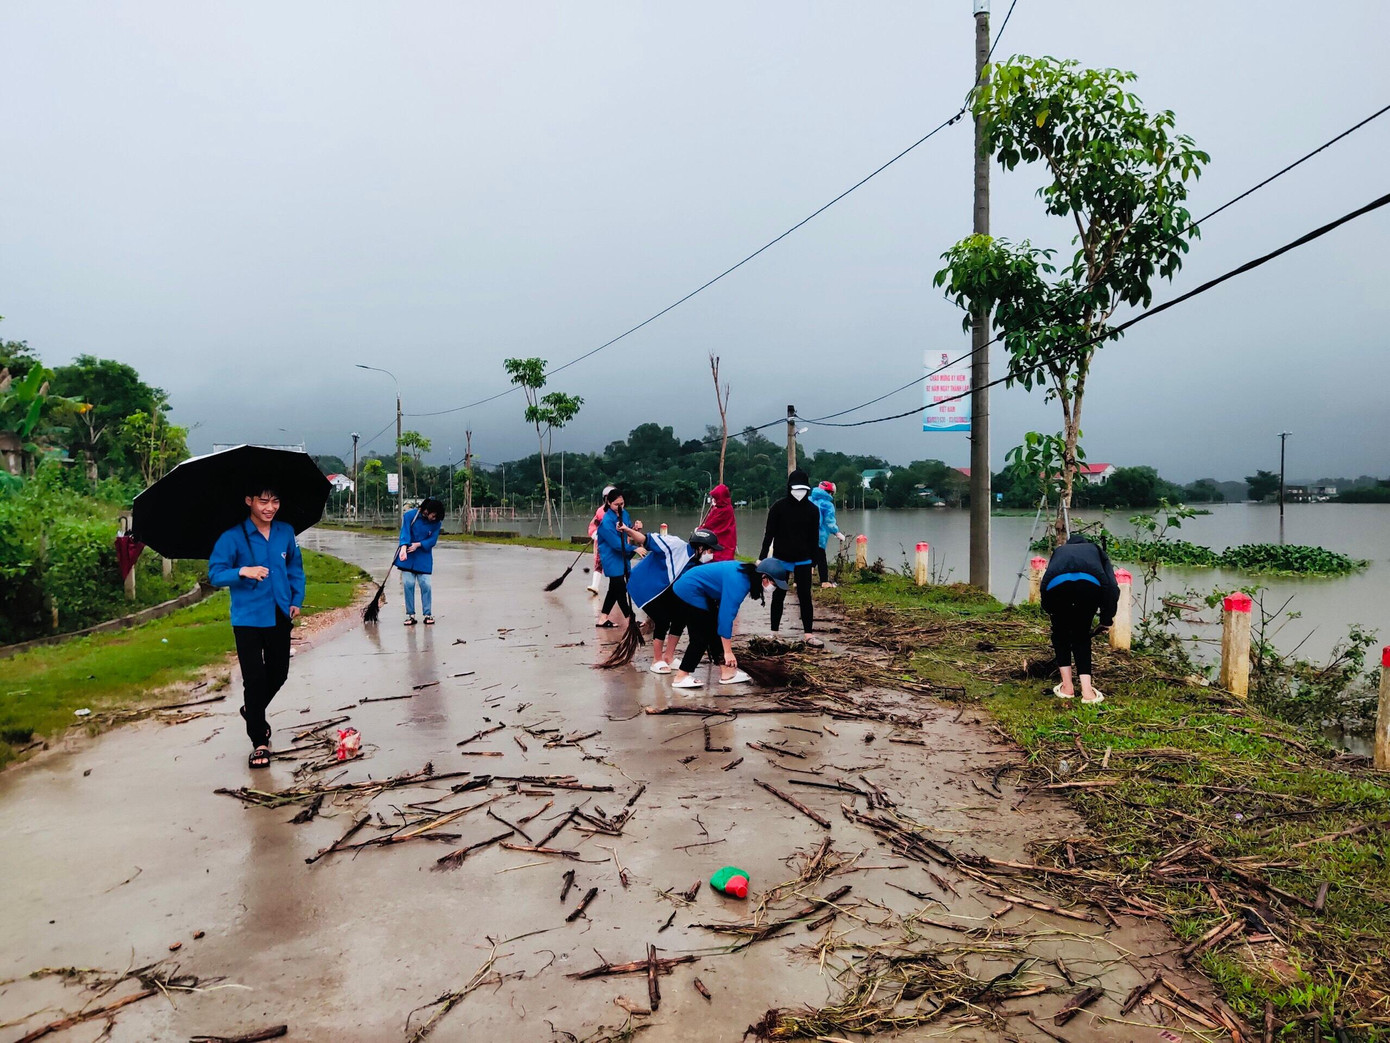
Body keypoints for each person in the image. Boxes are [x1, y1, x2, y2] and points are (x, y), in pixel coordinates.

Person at [208, 485, 306, 769]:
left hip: (278, 612)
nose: (270, 507)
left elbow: (294, 568)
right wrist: (242, 571)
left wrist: (295, 598)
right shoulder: (232, 537)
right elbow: (215, 573)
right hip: (248, 618)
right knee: (253, 678)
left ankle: (252, 709)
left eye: (275, 501)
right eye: (263, 501)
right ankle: (259, 741)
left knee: (279, 672)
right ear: (249, 501)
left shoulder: (285, 532)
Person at [668, 559, 789, 689]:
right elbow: (726, 617)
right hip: (689, 590)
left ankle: (727, 673)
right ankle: (681, 676)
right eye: (774, 584)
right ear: (764, 577)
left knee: (713, 629)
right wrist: (728, 651)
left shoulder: (748, 575)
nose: (774, 588)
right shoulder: (739, 582)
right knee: (701, 637)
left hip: (699, 590)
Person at [621, 524, 721, 673]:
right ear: (700, 548)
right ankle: (657, 659)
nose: (712, 554)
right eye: (711, 550)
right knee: (662, 619)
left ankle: (668, 656)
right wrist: (628, 530)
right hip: (645, 586)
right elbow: (646, 539)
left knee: (681, 617)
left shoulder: (697, 563)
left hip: (665, 590)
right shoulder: (675, 545)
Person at [1040, 534, 1121, 705]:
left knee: (1060, 634)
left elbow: (1046, 581)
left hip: (1055, 586)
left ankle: (1067, 688)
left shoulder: (1060, 551)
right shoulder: (1096, 550)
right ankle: (1087, 692)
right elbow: (1112, 588)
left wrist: (1051, 611)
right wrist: (1106, 620)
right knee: (1081, 635)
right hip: (1090, 585)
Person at [759, 468, 823, 647]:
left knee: (805, 596)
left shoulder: (813, 510)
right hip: (781, 559)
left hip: (804, 560)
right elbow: (769, 534)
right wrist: (762, 558)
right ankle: (774, 633)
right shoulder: (778, 507)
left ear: (808, 489)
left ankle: (808, 635)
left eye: (803, 489)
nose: (799, 492)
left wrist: (814, 562)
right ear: (789, 488)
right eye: (796, 488)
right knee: (778, 596)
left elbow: (814, 538)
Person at [398, 497, 444, 625]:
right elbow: (404, 533)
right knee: (408, 584)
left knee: (426, 585)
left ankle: (427, 614)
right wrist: (403, 547)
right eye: (433, 515)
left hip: (424, 557)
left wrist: (418, 544)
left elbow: (432, 540)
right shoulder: (409, 516)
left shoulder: (436, 523)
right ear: (427, 510)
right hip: (407, 556)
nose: (434, 519)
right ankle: (410, 615)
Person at [594, 487, 635, 627]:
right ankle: (631, 619)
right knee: (620, 589)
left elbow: (628, 532)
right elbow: (617, 544)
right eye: (616, 504)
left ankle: (603, 618)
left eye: (622, 503)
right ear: (609, 503)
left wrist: (635, 530)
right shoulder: (606, 522)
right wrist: (635, 548)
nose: (620, 507)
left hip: (622, 557)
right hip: (612, 559)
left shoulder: (625, 514)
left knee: (613, 590)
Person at [809, 480, 847, 587]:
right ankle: (824, 581)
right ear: (830, 492)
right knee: (821, 558)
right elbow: (829, 521)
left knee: (806, 558)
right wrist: (837, 532)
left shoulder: (808, 499)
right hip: (819, 536)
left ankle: (798, 581)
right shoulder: (827, 505)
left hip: (804, 535)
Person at [587, 485, 615, 596]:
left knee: (615, 565)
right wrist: (595, 534)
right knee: (598, 563)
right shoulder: (600, 512)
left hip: (614, 543)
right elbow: (593, 525)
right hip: (602, 543)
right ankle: (595, 586)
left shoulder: (620, 512)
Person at [701, 483, 738, 562]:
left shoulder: (724, 510)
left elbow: (711, 525)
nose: (714, 500)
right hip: (725, 542)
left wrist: (700, 530)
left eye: (715, 498)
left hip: (724, 541)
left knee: (720, 559)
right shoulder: (720, 508)